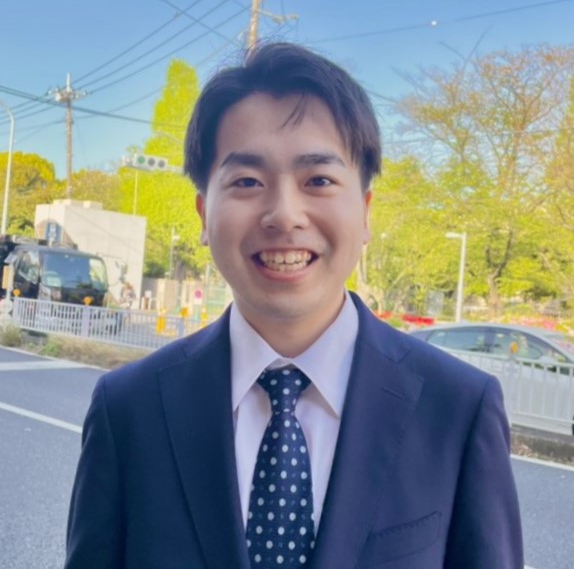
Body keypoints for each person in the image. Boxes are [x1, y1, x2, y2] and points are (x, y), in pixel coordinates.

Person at [64, 42, 523, 569]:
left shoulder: (458, 409)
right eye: (247, 182)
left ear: (366, 211)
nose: (284, 214)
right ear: (203, 214)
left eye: (319, 181)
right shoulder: (128, 409)